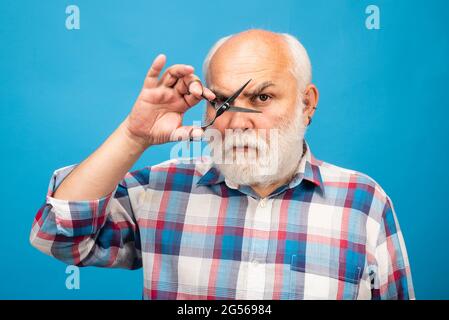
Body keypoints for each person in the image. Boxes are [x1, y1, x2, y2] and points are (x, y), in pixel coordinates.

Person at [30, 29, 414, 300]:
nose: (235, 122)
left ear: (307, 103)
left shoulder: (364, 204)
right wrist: (134, 136)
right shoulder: (160, 192)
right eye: (222, 101)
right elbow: (57, 235)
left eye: (262, 97)